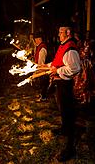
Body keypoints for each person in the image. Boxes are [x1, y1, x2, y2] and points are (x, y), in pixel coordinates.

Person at [41, 26, 81, 162]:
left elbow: (75, 68)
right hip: (60, 84)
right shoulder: (63, 46)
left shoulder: (70, 48)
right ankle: (64, 129)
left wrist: (57, 71)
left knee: (68, 112)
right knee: (63, 110)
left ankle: (70, 147)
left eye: (61, 32)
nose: (58, 35)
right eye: (58, 32)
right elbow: (58, 62)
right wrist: (47, 66)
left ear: (68, 33)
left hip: (66, 85)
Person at [34, 32, 49, 101]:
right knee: (41, 83)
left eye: (36, 39)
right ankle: (42, 95)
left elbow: (41, 61)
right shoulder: (38, 47)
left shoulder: (42, 48)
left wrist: (39, 69)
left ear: (39, 39)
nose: (35, 41)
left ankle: (43, 97)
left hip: (43, 69)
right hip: (40, 68)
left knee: (43, 84)